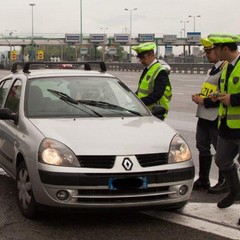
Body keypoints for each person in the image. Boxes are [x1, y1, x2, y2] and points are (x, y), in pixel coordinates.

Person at [191, 38, 228, 194]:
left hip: (215, 117)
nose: (207, 55)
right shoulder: (211, 70)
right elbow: (210, 91)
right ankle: (204, 179)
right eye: (205, 52)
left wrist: (203, 100)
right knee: (202, 147)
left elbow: (221, 97)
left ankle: (223, 181)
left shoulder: (225, 70)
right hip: (204, 116)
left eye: (209, 51)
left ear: (218, 51)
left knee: (220, 151)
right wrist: (200, 97)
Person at [207, 33, 240, 208]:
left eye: (217, 49)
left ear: (225, 48)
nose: (215, 53)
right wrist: (217, 96)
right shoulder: (227, 67)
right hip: (227, 126)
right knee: (222, 160)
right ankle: (235, 191)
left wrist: (233, 99)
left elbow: (233, 95)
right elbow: (226, 90)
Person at [132, 42, 172, 120]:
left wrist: (139, 103)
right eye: (139, 58)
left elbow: (157, 95)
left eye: (143, 57)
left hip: (156, 112)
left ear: (151, 55)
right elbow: (141, 90)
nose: (140, 60)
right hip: (145, 111)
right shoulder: (147, 68)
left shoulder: (160, 71)